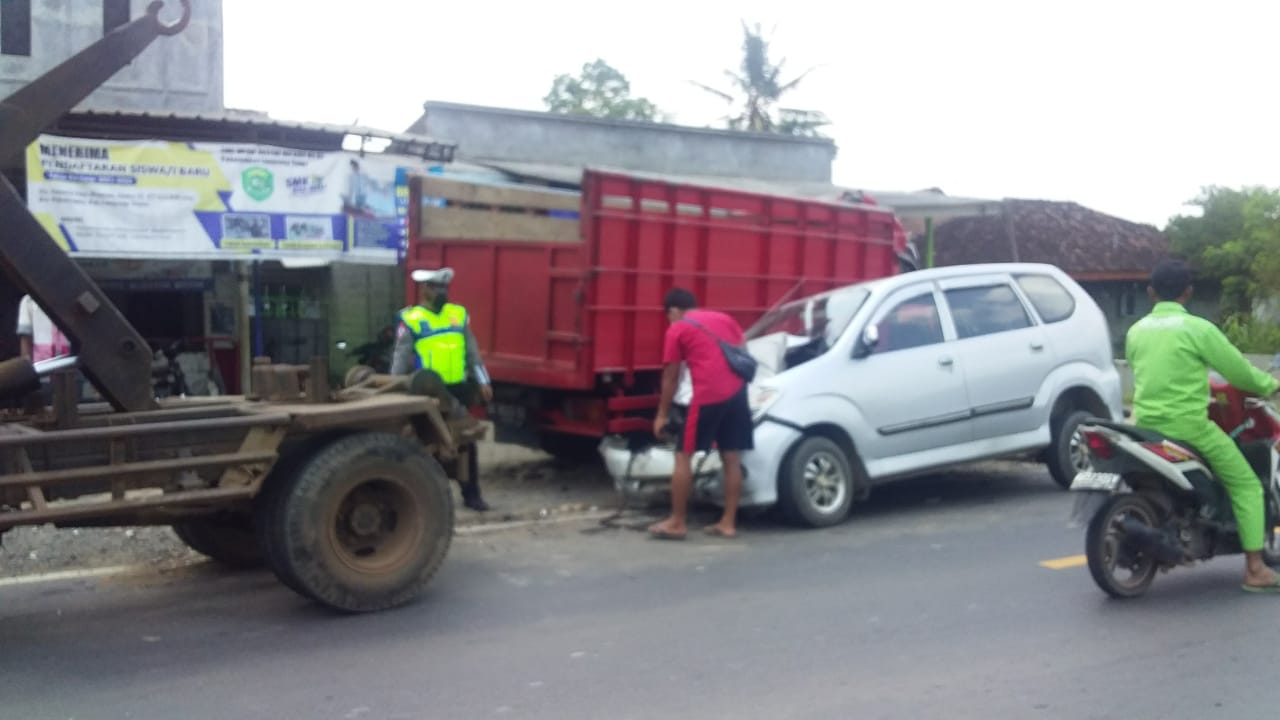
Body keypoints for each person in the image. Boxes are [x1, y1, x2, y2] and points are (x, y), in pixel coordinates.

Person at [1126, 258, 1280, 593]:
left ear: (1151, 293)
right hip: (1190, 428)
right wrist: (1270, 385)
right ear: (1188, 292)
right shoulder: (1198, 329)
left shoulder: (1135, 331)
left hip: (1145, 425)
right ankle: (1255, 569)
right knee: (1247, 485)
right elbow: (1238, 372)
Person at [650, 288, 753, 540]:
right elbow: (743, 350)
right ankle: (728, 523)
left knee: (683, 455)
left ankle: (677, 522)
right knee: (731, 456)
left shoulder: (678, 328)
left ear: (673, 311)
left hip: (709, 395)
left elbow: (671, 376)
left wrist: (662, 414)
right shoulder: (724, 318)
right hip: (738, 392)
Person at [390, 267, 493, 512]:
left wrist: (483, 380)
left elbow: (472, 352)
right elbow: (401, 358)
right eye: (437, 287)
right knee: (426, 444)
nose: (442, 292)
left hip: (457, 390)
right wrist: (394, 387)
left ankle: (472, 494)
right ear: (424, 289)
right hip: (427, 393)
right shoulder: (411, 319)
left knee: (466, 443)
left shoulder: (457, 314)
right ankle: (426, 498)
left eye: (445, 287)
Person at [15, 294, 70, 363]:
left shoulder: (72, 296)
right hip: (42, 366)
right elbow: (26, 340)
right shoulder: (29, 301)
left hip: (72, 365)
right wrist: (28, 370)